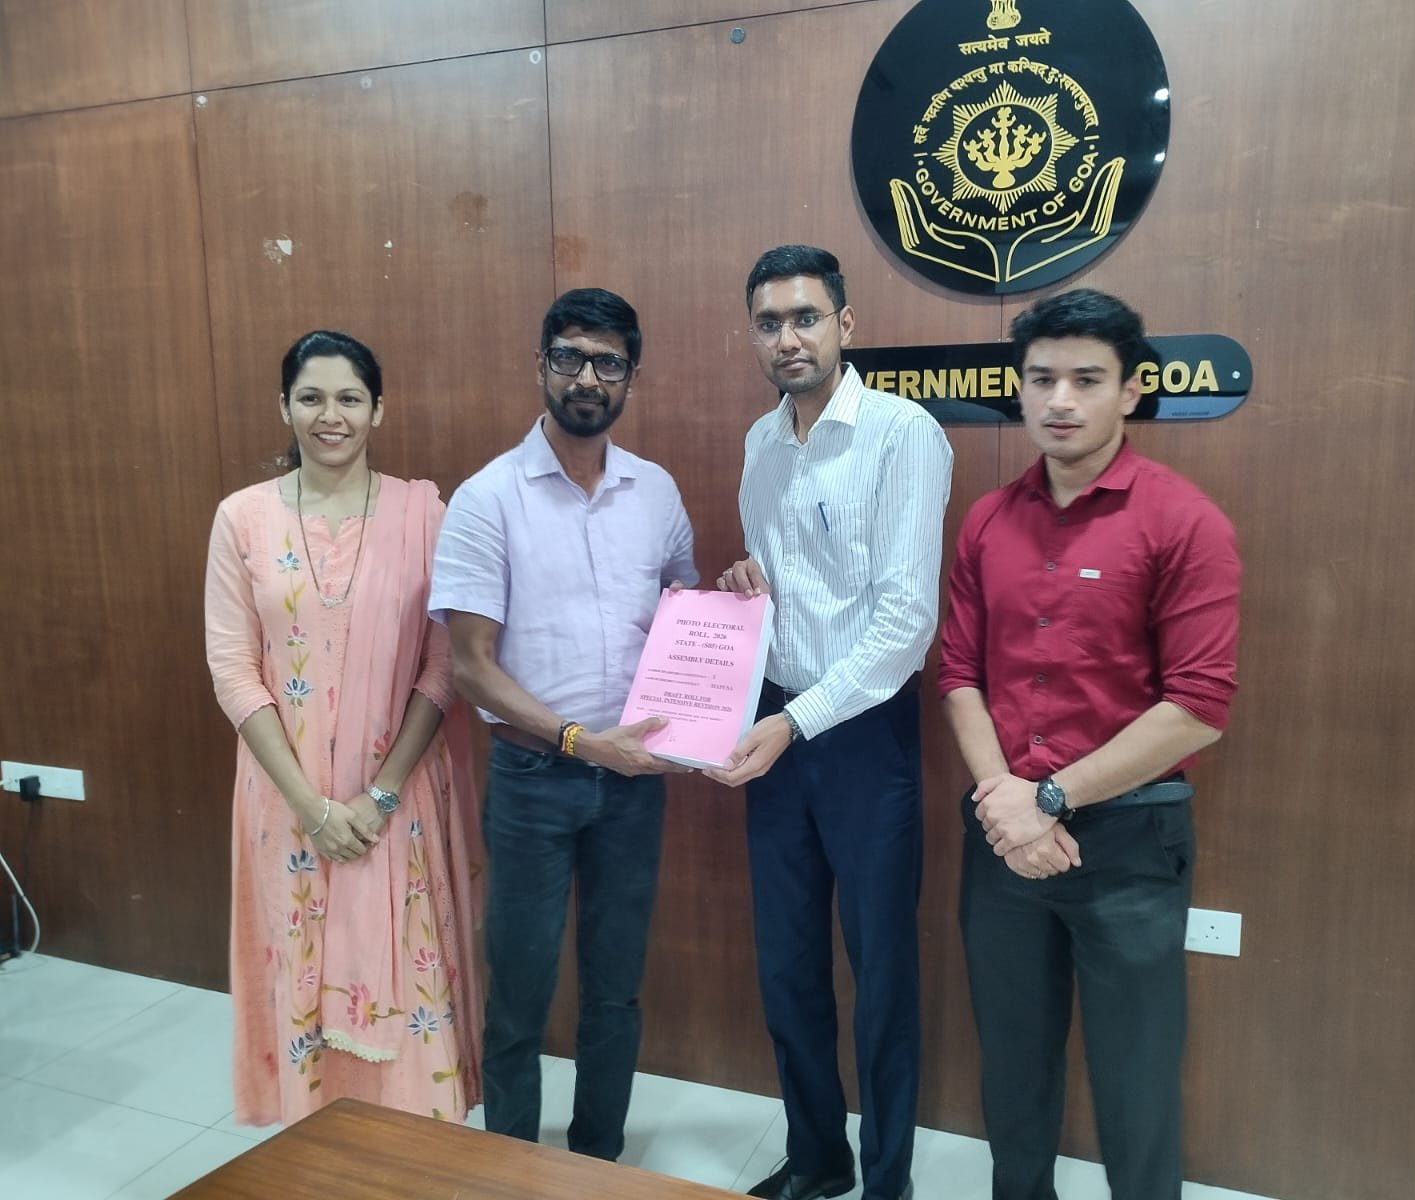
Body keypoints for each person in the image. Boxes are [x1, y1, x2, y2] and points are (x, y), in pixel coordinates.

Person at [939, 289, 1241, 1200]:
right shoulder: (989, 520)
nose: (1060, 400)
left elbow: (1199, 707)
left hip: (1128, 845)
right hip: (1003, 837)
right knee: (1012, 1074)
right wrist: (1007, 804)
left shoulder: (1184, 521)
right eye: (1041, 379)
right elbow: (958, 673)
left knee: (1136, 1085)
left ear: (1132, 389)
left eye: (1086, 379)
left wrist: (1049, 798)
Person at [429, 288, 697, 1161]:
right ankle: (509, 1165)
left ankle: (597, 1161)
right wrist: (581, 742)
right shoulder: (486, 499)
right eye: (570, 357)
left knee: (616, 991)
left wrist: (727, 601)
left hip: (633, 785)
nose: (588, 377)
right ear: (540, 366)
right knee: (519, 994)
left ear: (631, 376)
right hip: (533, 782)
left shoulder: (655, 492)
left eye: (608, 362)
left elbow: (683, 617)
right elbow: (471, 666)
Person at [709, 245, 953, 1200]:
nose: (788, 338)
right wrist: (746, 588)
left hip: (861, 734)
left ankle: (887, 1180)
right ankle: (818, 1159)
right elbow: (783, 579)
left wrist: (795, 723)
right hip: (773, 725)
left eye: (806, 317)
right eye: (769, 323)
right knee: (788, 963)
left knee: (881, 971)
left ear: (845, 325)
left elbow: (905, 625)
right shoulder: (758, 444)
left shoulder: (903, 434)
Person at [204, 330, 483, 1126]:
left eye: (350, 398)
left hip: (397, 801)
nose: (331, 415)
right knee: (300, 965)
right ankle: (314, 1143)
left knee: (408, 969)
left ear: (378, 410)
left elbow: (443, 667)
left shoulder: (424, 516)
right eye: (312, 397)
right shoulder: (242, 519)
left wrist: (379, 796)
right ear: (284, 406)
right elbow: (232, 669)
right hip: (287, 805)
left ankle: (414, 1151)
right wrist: (311, 806)